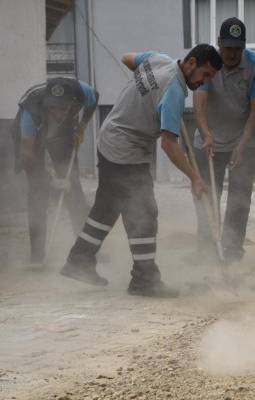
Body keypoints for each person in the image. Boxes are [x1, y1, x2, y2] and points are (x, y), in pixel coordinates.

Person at [60, 44, 222, 298]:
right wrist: (195, 177)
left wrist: (145, 91)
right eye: (206, 74)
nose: (205, 82)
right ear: (191, 63)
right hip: (126, 151)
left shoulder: (159, 59)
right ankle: (144, 279)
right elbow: (168, 144)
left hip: (109, 138)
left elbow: (127, 58)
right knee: (144, 211)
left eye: (210, 78)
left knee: (107, 207)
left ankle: (78, 260)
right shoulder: (174, 92)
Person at [191, 17, 255, 264]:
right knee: (207, 198)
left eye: (238, 48)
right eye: (228, 48)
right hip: (209, 141)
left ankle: (232, 251)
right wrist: (206, 134)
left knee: (240, 199)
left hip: (243, 140)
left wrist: (242, 146)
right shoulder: (208, 63)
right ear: (219, 43)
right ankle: (208, 252)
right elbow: (199, 103)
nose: (233, 54)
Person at [15, 77, 99, 263]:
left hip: (62, 134)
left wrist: (82, 126)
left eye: (62, 108)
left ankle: (84, 251)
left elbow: (94, 99)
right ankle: (37, 256)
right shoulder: (31, 109)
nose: (57, 112)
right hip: (32, 138)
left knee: (74, 190)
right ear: (46, 102)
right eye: (53, 107)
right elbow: (27, 155)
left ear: (72, 102)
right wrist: (50, 180)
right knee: (38, 193)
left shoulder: (82, 92)